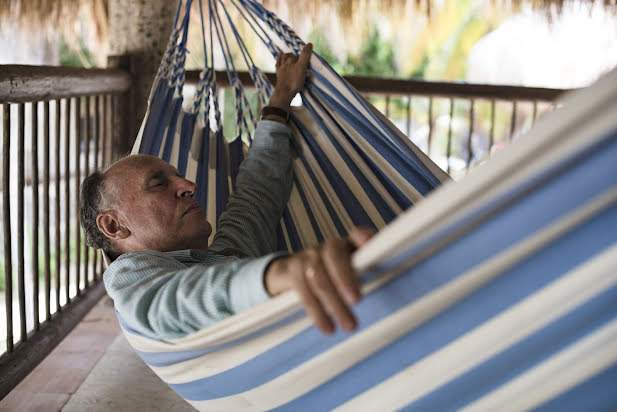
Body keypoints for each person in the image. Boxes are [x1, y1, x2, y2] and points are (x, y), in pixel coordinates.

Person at [79, 43, 372, 340]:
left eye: (179, 178)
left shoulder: (229, 253)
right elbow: (179, 301)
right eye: (158, 184)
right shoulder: (131, 280)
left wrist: (282, 95)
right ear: (114, 225)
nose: (189, 186)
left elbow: (256, 193)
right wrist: (280, 274)